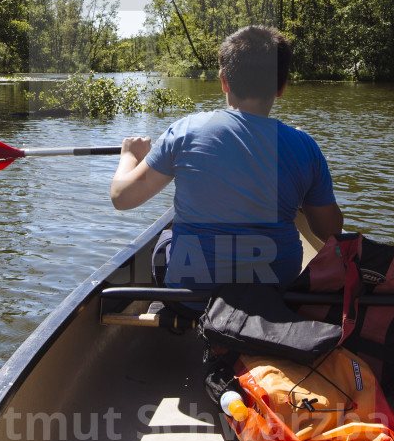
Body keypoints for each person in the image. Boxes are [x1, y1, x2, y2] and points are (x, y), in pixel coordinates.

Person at [110, 25, 345, 291]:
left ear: (223, 80)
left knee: (166, 239)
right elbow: (330, 233)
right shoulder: (305, 147)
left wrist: (130, 155)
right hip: (278, 297)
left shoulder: (185, 132)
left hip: (191, 300)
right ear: (281, 87)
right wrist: (302, 154)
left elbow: (122, 198)